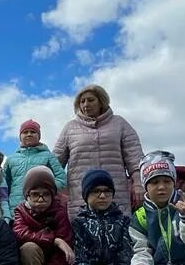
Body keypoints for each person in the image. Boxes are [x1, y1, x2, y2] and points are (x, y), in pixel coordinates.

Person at [54, 84, 145, 218]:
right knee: (82, 233)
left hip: (115, 193)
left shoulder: (119, 123)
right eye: (82, 101)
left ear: (101, 101)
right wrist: (53, 187)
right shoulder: (70, 128)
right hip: (80, 195)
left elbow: (134, 157)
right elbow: (55, 162)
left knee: (118, 232)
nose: (86, 104)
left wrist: (138, 183)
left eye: (91, 100)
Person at [72, 169, 146, 265]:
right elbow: (79, 262)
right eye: (96, 191)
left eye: (107, 191)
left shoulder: (124, 222)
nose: (102, 196)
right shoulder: (78, 224)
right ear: (86, 195)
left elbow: (127, 259)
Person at [12, 166, 74, 265]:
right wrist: (54, 240)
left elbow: (62, 257)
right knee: (28, 248)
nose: (40, 200)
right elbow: (19, 233)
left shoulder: (60, 212)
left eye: (46, 194)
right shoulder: (21, 211)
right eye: (35, 195)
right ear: (27, 195)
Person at [2, 119, 67, 216]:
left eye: (33, 132)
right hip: (16, 210)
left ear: (39, 136)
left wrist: (46, 191)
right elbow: (5, 186)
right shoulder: (11, 159)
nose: (29, 134)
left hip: (42, 209)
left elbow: (61, 179)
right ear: (20, 137)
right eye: (25, 132)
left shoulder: (48, 156)